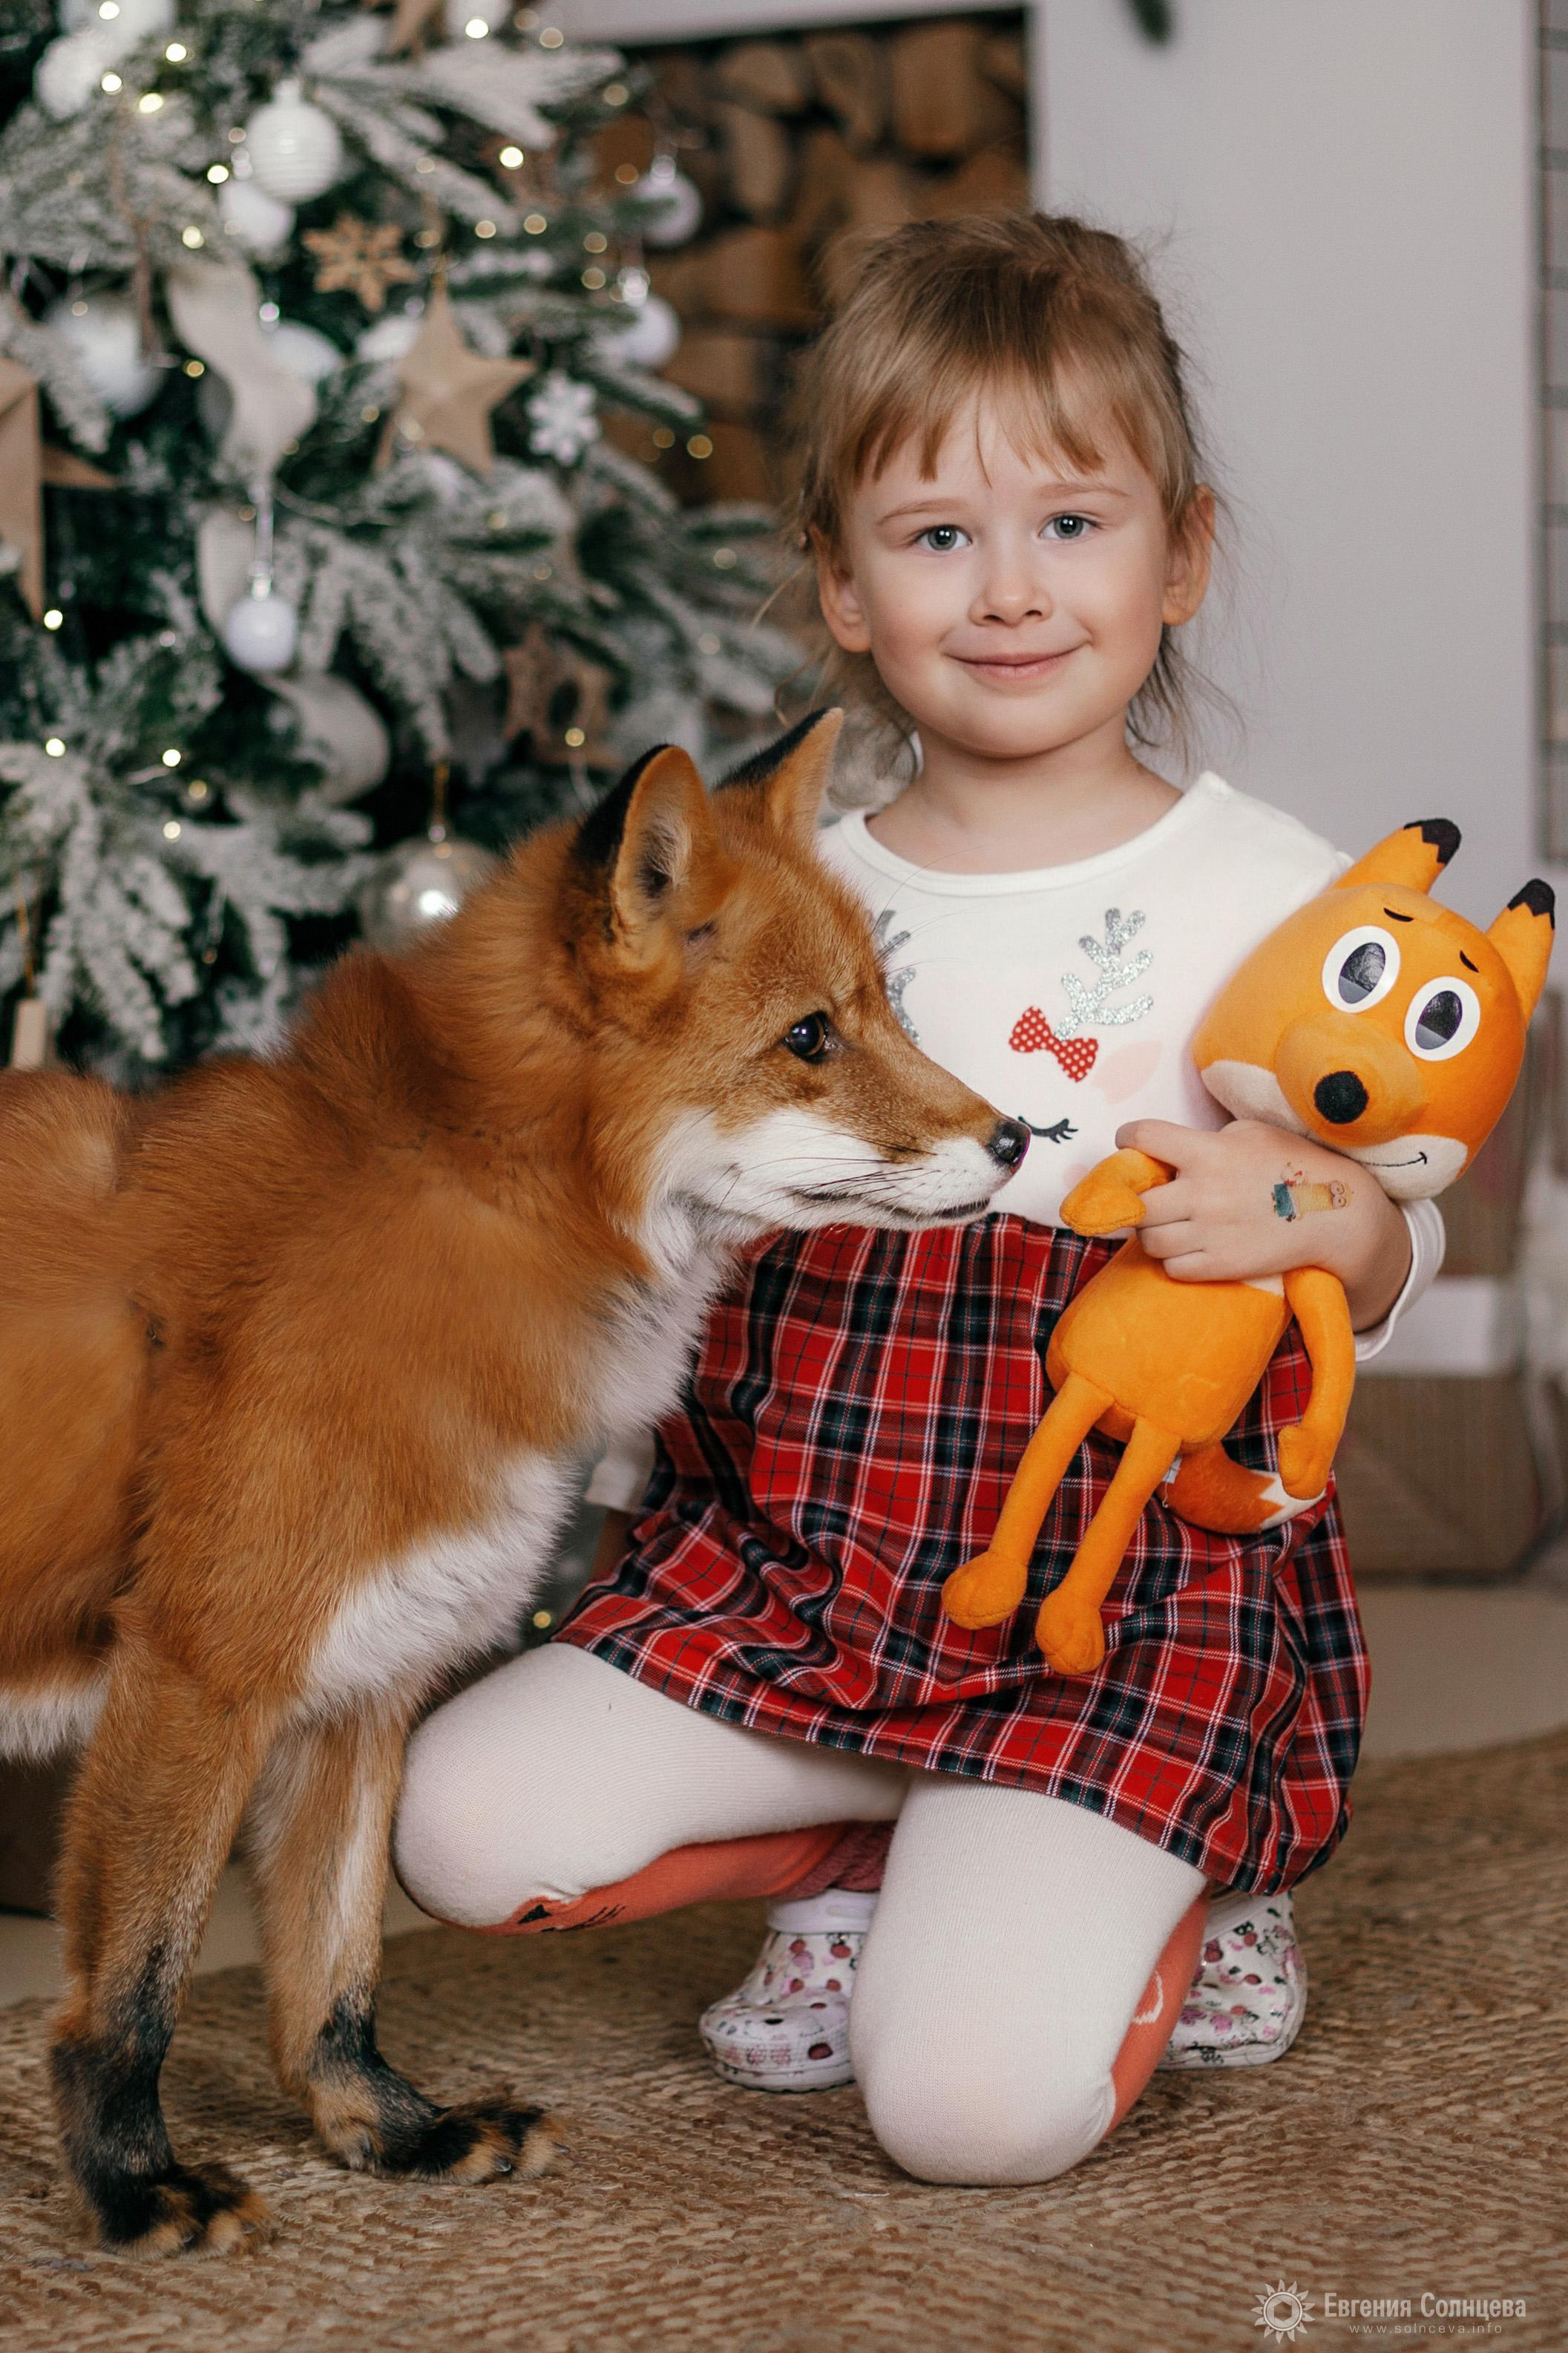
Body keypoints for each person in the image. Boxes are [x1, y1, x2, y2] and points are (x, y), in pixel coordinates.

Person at [394, 213, 1442, 2187]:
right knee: (457, 1823)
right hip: (807, 1559)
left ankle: (1185, 1872)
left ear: (1181, 558)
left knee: (966, 2112)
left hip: (1111, 1603)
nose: (1009, 588)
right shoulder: (792, 899)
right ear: (841, 584)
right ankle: (865, 1838)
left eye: (1072, 523)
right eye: (936, 534)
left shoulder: (1288, 895)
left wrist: (1322, 1220)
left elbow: (1390, 1224)